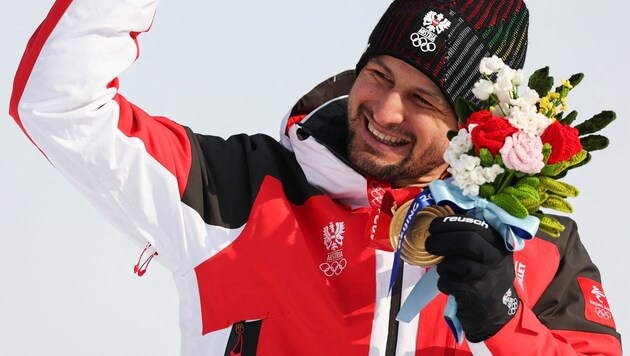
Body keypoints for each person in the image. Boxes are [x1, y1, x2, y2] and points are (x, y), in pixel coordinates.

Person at [9, 0, 622, 355]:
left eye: (423, 100)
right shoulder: (235, 190)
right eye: (378, 73)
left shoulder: (532, 246)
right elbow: (58, 105)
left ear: (472, 124)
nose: (384, 111)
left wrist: (502, 322)